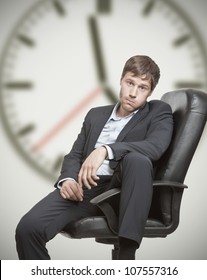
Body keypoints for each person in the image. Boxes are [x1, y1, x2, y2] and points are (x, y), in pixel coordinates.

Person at [15, 55, 173, 260]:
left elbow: (155, 147)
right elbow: (75, 154)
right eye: (130, 83)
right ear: (121, 80)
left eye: (142, 87)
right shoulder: (95, 115)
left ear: (150, 92)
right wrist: (68, 179)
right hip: (84, 189)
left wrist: (106, 150)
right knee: (28, 229)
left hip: (122, 191)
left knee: (138, 159)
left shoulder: (158, 111)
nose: (133, 93)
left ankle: (126, 260)